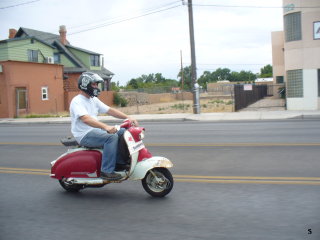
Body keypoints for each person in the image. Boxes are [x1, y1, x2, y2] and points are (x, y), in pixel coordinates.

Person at [70, 72, 138, 181]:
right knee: (111, 137)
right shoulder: (77, 101)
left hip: (95, 131)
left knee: (123, 132)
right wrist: (106, 127)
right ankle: (106, 171)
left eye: (97, 84)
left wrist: (128, 117)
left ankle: (119, 162)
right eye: (94, 84)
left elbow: (110, 110)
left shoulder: (93, 99)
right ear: (85, 84)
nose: (96, 87)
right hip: (84, 134)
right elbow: (86, 119)